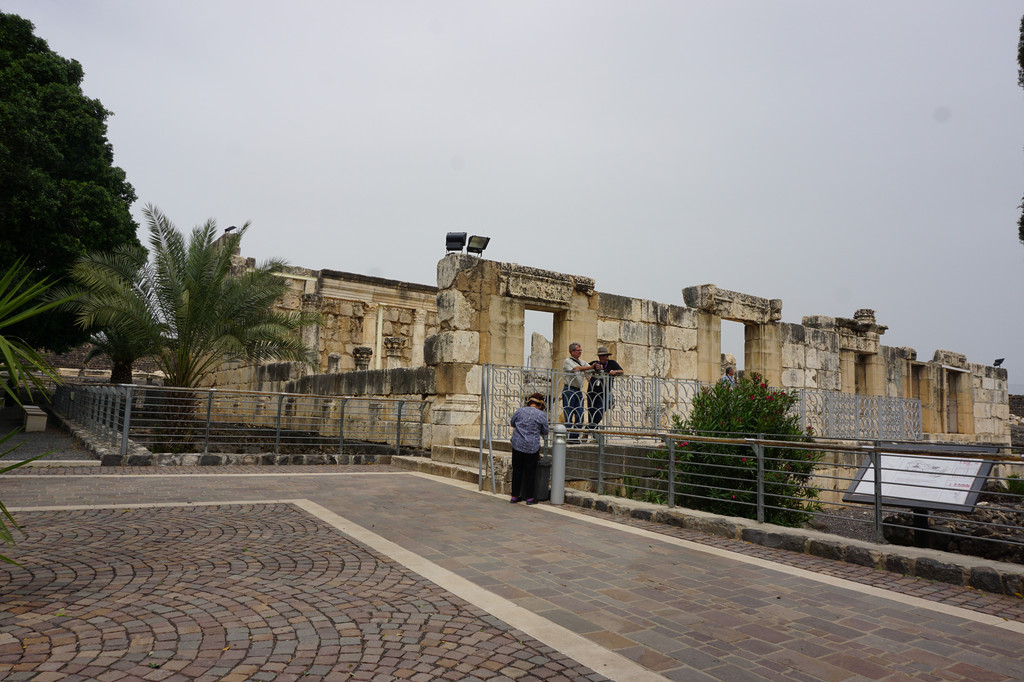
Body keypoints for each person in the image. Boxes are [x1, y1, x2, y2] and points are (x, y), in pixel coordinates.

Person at [509, 392, 549, 505]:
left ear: (530, 402)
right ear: (540, 405)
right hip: (532, 447)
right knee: (530, 472)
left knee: (517, 471)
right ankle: (530, 498)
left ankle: (514, 496)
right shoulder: (541, 415)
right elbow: (545, 431)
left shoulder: (520, 411)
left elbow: (512, 423)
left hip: (517, 445)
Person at [586, 346, 624, 432]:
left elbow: (621, 371)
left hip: (605, 391)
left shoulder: (612, 363)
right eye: (600, 356)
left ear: (607, 356)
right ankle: (592, 433)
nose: (601, 357)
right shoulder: (595, 363)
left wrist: (615, 372)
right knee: (591, 412)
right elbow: (585, 369)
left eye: (603, 355)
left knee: (600, 411)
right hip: (592, 391)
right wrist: (588, 377)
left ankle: (589, 429)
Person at [561, 342, 592, 443]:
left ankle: (574, 437)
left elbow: (588, 370)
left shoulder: (582, 361)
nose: (580, 352)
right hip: (569, 389)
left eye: (580, 350)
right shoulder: (567, 361)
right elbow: (576, 369)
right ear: (572, 351)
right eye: (578, 350)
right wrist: (591, 367)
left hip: (578, 391)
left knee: (580, 414)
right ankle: (569, 436)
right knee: (569, 414)